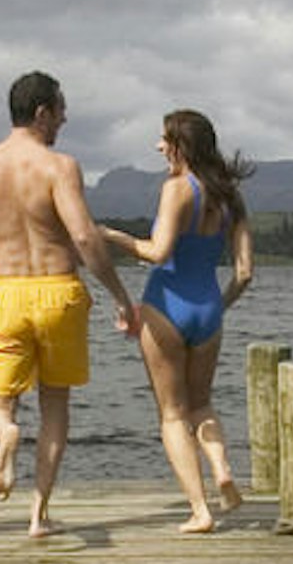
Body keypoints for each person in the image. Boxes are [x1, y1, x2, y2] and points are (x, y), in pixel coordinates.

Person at [0, 71, 141, 539]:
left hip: (7, 292)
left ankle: (5, 432)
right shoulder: (60, 167)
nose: (65, 119)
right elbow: (84, 236)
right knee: (55, 406)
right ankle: (38, 515)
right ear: (41, 112)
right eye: (61, 110)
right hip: (58, 291)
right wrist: (120, 296)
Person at [105, 107, 256, 533]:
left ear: (182, 146)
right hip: (208, 307)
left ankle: (200, 510)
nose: (158, 146)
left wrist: (113, 237)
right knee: (201, 402)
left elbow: (158, 252)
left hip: (166, 306)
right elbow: (245, 272)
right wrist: (218, 307)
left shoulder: (176, 189)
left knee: (172, 414)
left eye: (164, 139)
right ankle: (222, 467)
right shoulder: (231, 196)